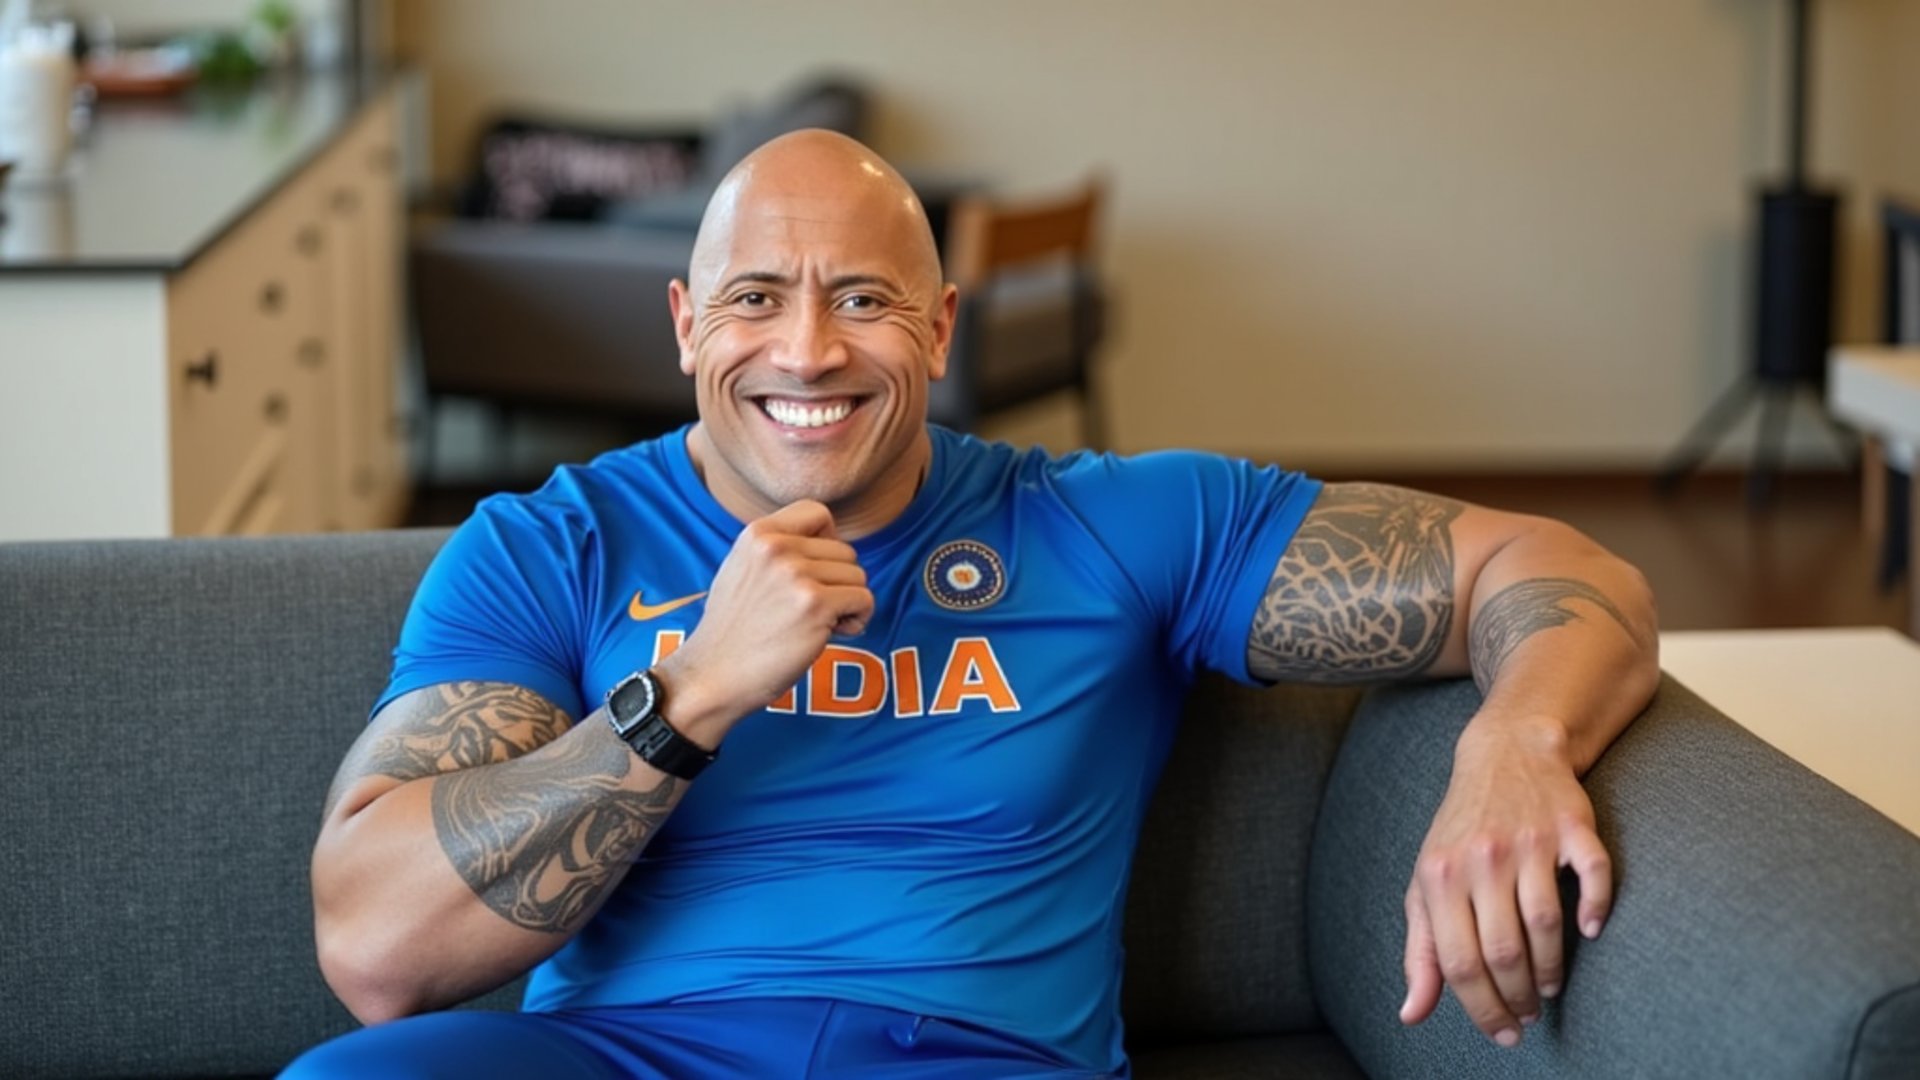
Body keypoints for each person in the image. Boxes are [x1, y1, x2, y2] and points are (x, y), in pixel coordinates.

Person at [290, 130, 1658, 1079]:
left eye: (865, 299)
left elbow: (1560, 573)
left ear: (942, 329)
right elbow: (374, 952)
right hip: (611, 1057)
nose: (808, 350)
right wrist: (689, 696)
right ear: (687, 324)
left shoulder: (1111, 524)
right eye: (755, 298)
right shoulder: (555, 543)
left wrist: (1513, 748)